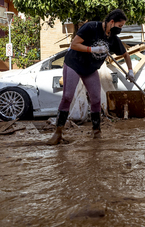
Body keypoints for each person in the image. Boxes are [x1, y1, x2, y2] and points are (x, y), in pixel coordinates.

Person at [47, 9, 135, 145]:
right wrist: (92, 49)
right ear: (112, 22)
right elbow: (74, 44)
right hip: (74, 64)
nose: (120, 29)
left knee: (96, 99)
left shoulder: (112, 38)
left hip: (90, 69)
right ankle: (58, 133)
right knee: (67, 96)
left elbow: (126, 55)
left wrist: (130, 71)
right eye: (120, 26)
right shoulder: (91, 27)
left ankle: (96, 132)